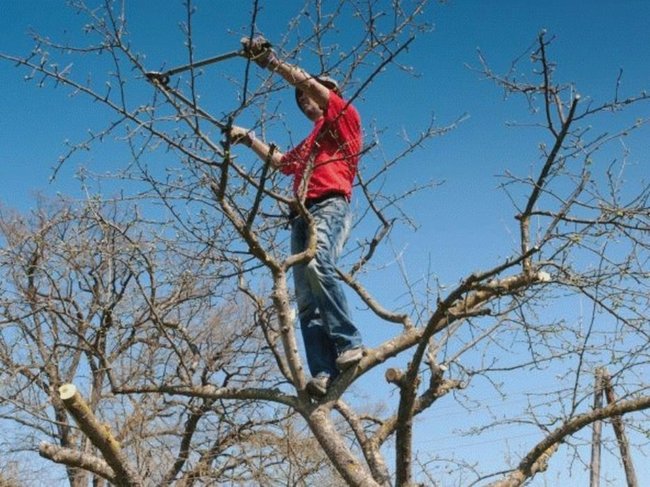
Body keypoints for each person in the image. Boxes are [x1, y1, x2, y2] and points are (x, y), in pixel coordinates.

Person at [227, 36, 364, 397]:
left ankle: (349, 341)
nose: (305, 102)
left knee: (321, 267)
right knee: (304, 296)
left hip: (330, 203)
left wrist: (272, 62)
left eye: (311, 95)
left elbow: (305, 82)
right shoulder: (311, 142)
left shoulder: (345, 119)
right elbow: (281, 163)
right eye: (301, 101)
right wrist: (249, 140)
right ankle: (321, 370)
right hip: (300, 215)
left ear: (328, 94)